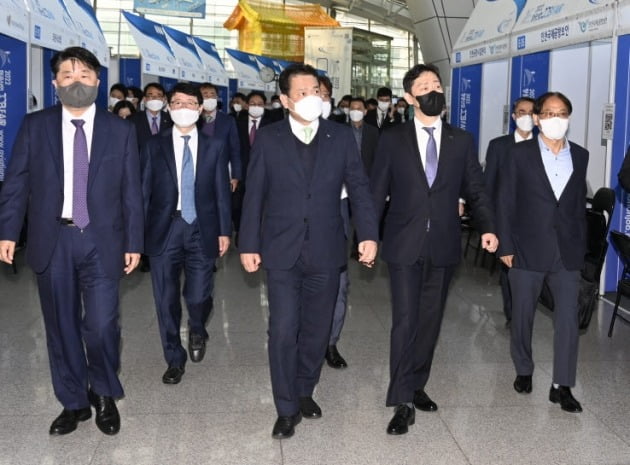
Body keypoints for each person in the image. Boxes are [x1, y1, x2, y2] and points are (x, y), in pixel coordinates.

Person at [0, 46, 144, 436]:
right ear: (54, 83)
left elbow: (132, 191)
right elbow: (16, 182)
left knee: (100, 325)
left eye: (84, 75)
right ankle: (73, 402)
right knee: (61, 327)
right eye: (67, 75)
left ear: (98, 82)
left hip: (103, 240)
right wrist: (8, 232)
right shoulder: (36, 126)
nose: (76, 82)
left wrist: (134, 241)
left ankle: (103, 393)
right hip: (53, 239)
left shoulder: (121, 130)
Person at [239, 63, 379, 440]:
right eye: (301, 93)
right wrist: (248, 243)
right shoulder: (268, 139)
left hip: (326, 248)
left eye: (315, 91)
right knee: (283, 330)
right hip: (281, 250)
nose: (311, 98)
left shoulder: (340, 136)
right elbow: (254, 195)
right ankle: (285, 407)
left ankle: (304, 389)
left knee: (317, 331)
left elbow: (360, 188)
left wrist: (368, 234)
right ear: (284, 100)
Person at [371, 63, 498, 435]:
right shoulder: (392, 138)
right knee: (406, 320)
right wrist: (367, 235)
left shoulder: (462, 140)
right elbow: (377, 190)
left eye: (437, 84)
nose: (433, 90)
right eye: (424, 86)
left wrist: (488, 227)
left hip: (443, 242)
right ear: (410, 97)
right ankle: (401, 400)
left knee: (430, 321)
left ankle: (416, 383)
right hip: (403, 242)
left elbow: (475, 189)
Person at [497, 91, 588, 413]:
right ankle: (524, 368)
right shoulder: (518, 154)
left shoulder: (580, 154)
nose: (555, 119)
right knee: (522, 314)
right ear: (536, 119)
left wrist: (582, 247)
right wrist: (505, 245)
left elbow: (576, 206)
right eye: (548, 113)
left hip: (566, 252)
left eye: (562, 113)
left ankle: (562, 385)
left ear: (569, 118)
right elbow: (505, 202)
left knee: (568, 319)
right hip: (525, 248)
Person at [142, 82, 231, 385]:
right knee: (165, 299)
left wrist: (224, 230)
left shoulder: (214, 145)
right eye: (176, 103)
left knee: (198, 294)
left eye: (190, 103)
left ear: (200, 108)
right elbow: (143, 192)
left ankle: (197, 326)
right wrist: (135, 235)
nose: (183, 108)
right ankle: (174, 358)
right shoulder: (154, 146)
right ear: (168, 108)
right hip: (164, 229)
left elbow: (222, 192)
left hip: (201, 228)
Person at [484, 97, 535, 325]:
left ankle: (524, 313)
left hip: (534, 222)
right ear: (514, 116)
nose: (526, 117)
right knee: (510, 270)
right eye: (521, 112)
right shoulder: (499, 146)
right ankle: (514, 315)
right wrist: (490, 225)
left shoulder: (545, 145)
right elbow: (489, 185)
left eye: (531, 113)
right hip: (506, 220)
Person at [233, 90, 275, 246]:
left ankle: (259, 235)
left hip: (265, 174)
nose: (256, 107)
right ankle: (240, 232)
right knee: (238, 206)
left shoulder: (271, 125)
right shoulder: (238, 124)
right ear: (246, 105)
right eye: (252, 104)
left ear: (265, 106)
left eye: (259, 104)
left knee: (260, 207)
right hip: (242, 174)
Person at [198, 82, 242, 194]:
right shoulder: (193, 118)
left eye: (212, 95)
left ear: (217, 98)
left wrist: (235, 175)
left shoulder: (228, 121)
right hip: (197, 171)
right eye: (205, 95)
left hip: (221, 171)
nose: (209, 97)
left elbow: (235, 149)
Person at [129, 82, 172, 152]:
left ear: (164, 99)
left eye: (159, 95)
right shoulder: (133, 119)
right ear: (144, 99)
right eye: (150, 95)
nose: (154, 98)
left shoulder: (171, 120)